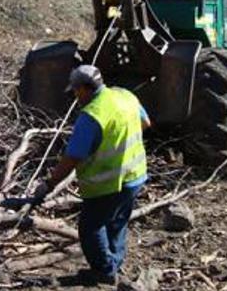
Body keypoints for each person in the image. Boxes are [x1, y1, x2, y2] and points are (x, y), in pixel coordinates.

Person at [33, 65, 151, 285]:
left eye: (76, 90)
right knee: (117, 222)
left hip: (107, 183)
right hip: (135, 175)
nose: (75, 95)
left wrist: (49, 184)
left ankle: (104, 271)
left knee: (91, 227)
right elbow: (145, 122)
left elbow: (73, 157)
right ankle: (115, 264)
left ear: (85, 88)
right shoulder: (125, 96)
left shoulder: (91, 115)